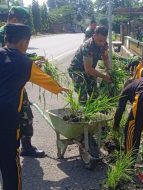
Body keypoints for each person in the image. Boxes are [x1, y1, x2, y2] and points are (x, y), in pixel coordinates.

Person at [0, 23, 68, 190]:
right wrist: (60, 88)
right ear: (24, 42)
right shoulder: (25, 63)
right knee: (10, 164)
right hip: (7, 120)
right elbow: (45, 80)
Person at [0, 6, 46, 157]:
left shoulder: (10, 32)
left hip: (13, 84)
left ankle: (25, 146)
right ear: (15, 19)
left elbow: (17, 54)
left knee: (26, 114)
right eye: (22, 21)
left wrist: (30, 61)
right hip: (6, 86)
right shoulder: (4, 34)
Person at [68, 26, 111, 103]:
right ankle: (82, 113)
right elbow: (88, 69)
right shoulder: (88, 46)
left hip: (89, 69)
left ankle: (93, 113)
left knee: (94, 94)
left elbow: (105, 57)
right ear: (94, 36)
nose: (102, 43)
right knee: (83, 95)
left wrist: (109, 70)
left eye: (104, 40)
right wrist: (104, 76)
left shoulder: (104, 44)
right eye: (100, 41)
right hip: (77, 71)